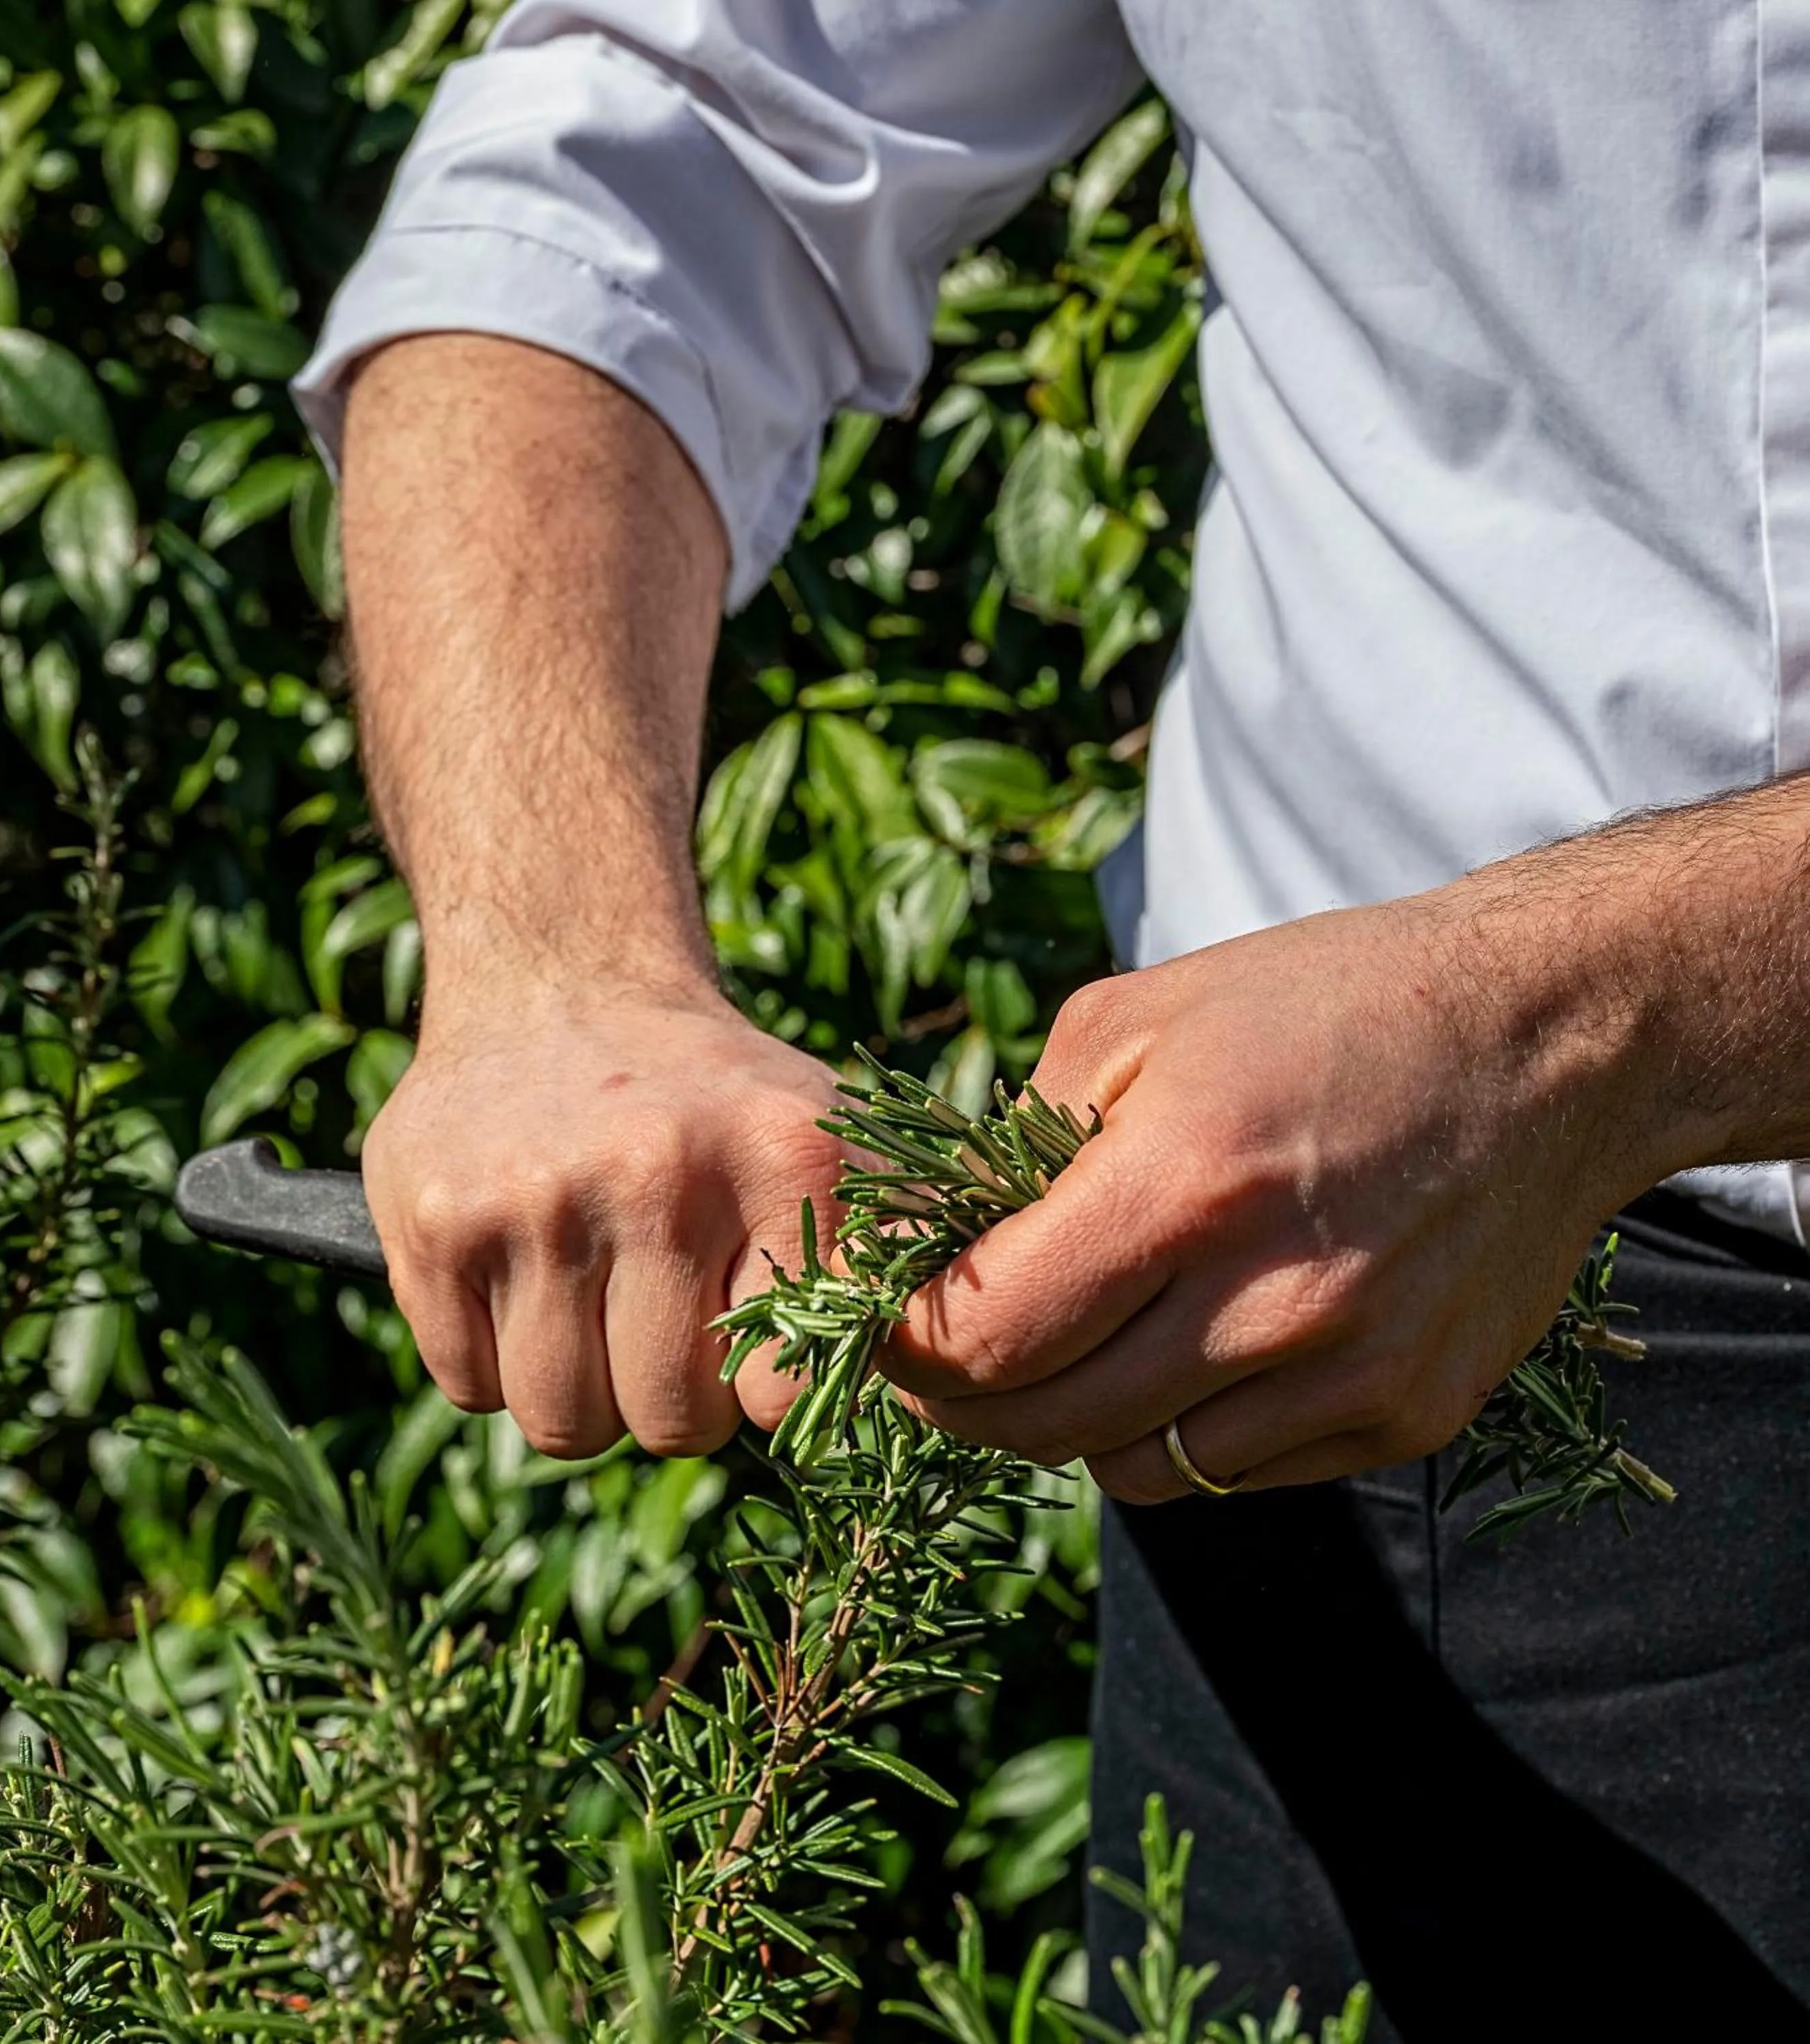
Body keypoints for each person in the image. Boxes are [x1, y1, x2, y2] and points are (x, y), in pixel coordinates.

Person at [292, 5, 1810, 2034]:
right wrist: (551, 951)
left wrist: (1597, 1017)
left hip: (1450, 1206)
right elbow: (668, 131)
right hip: (1331, 1380)